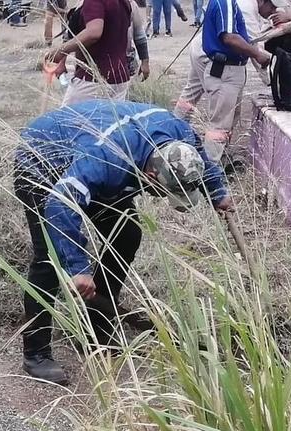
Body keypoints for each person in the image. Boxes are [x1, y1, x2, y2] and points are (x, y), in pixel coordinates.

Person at [14, 101, 233, 385]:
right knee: (50, 258)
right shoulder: (107, 160)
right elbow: (60, 204)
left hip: (89, 149)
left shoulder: (178, 133)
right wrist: (77, 267)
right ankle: (36, 354)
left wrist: (217, 191)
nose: (160, 197)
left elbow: (198, 156)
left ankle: (96, 329)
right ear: (150, 175)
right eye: (162, 191)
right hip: (44, 159)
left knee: (127, 233)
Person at [173, 0, 273, 164]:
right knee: (220, 124)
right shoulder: (226, 3)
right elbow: (230, 37)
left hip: (211, 58)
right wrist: (260, 60)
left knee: (195, 100)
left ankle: (172, 134)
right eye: (272, 7)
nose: (272, 12)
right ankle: (211, 170)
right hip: (224, 67)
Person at [46, 0, 149, 105]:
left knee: (68, 118)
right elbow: (71, 34)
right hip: (119, 79)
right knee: (110, 120)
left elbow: (93, 32)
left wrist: (60, 51)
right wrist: (62, 61)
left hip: (94, 79)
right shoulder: (124, 2)